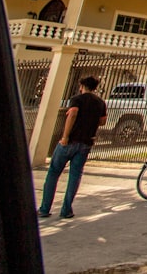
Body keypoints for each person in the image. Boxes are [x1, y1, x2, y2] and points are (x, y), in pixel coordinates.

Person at [37, 76, 107, 219]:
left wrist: (65, 137)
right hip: (86, 143)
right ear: (95, 87)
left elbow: (73, 113)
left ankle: (45, 208)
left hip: (70, 141)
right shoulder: (100, 103)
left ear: (82, 86)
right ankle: (66, 210)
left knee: (53, 173)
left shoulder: (77, 99)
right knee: (75, 176)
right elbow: (102, 121)